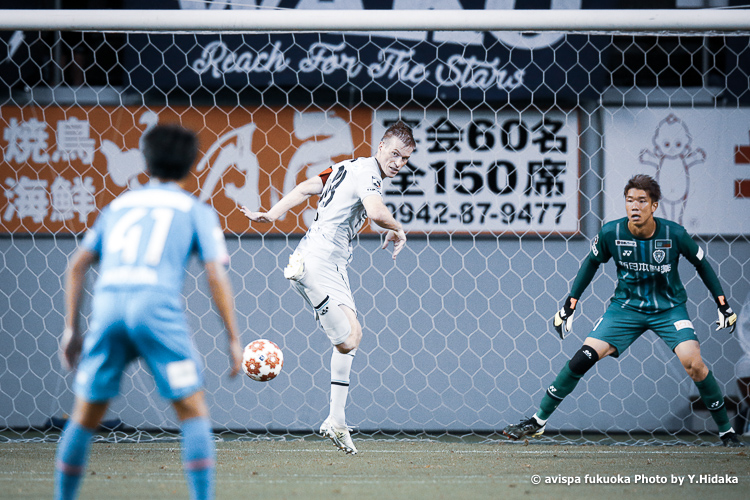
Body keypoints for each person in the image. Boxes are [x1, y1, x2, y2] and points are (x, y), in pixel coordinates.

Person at [55, 124, 243, 500]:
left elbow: (77, 266)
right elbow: (214, 274)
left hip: (107, 310)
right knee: (192, 409)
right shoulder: (194, 210)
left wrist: (72, 330)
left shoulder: (119, 206)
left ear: (146, 160)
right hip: (155, 311)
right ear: (192, 164)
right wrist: (234, 340)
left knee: (85, 415)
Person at [502, 174, 742, 446]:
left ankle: (726, 431)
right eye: (629, 201)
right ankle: (538, 421)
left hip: (669, 309)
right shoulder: (611, 233)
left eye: (642, 201)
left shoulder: (674, 234)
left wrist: (722, 304)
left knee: (694, 364)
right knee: (584, 357)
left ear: (654, 206)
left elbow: (702, 264)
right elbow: (590, 263)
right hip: (625, 309)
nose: (634, 206)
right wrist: (570, 304)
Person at [240, 121, 416, 455]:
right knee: (348, 338)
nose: (398, 162)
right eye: (395, 153)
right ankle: (304, 277)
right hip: (322, 259)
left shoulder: (346, 166)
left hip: (326, 259)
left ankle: (335, 421)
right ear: (381, 145)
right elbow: (377, 212)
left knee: (352, 341)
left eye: (405, 159)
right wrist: (398, 228)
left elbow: (307, 188)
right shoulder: (369, 174)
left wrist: (271, 214)